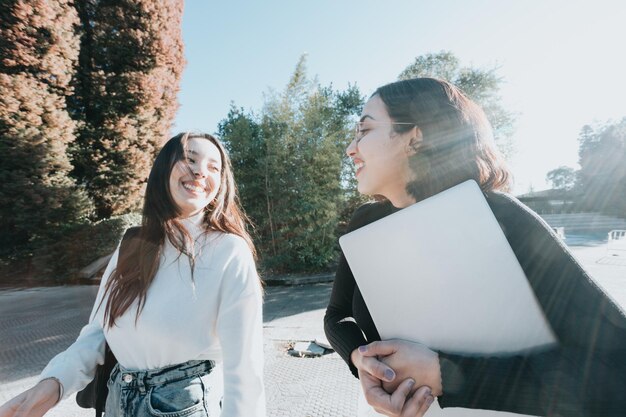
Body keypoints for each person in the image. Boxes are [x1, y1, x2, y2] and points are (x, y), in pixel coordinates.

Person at [324, 78, 626, 417]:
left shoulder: (502, 217)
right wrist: (363, 362)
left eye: (364, 131)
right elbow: (337, 317)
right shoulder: (365, 223)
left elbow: (615, 367)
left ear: (415, 137)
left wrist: (445, 375)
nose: (351, 148)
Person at [0, 132, 266, 417]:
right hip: (117, 402)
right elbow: (98, 333)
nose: (201, 171)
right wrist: (54, 384)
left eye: (214, 167)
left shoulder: (229, 250)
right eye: (190, 159)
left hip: (184, 405)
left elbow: (245, 368)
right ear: (164, 169)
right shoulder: (132, 245)